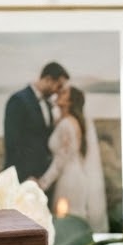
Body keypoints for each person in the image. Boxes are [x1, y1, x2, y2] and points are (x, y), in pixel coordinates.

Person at [37, 86, 108, 230]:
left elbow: (60, 160)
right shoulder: (70, 121)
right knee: (72, 220)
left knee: (67, 222)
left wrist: (43, 182)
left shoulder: (66, 124)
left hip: (69, 180)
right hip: (75, 176)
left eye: (63, 93)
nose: (58, 93)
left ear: (69, 102)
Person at [2, 61, 69, 187]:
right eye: (58, 86)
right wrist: (24, 176)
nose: (58, 91)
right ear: (48, 79)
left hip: (41, 177)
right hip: (22, 177)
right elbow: (12, 143)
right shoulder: (18, 100)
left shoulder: (48, 104)